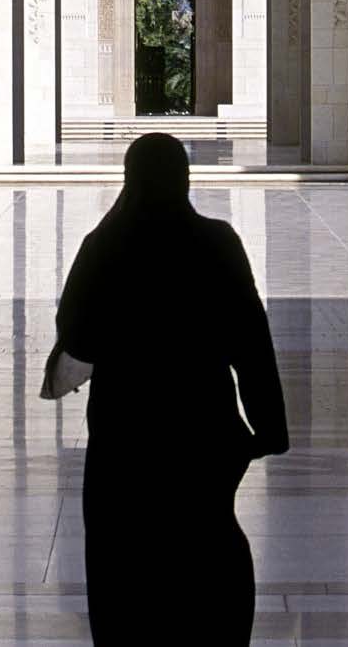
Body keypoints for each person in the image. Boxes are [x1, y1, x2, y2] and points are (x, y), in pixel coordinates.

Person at [50, 133, 288, 647]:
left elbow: (75, 332)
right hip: (202, 429)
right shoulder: (216, 242)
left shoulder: (106, 244)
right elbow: (251, 339)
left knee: (121, 562)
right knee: (209, 547)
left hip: (125, 434)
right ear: (184, 178)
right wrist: (270, 426)